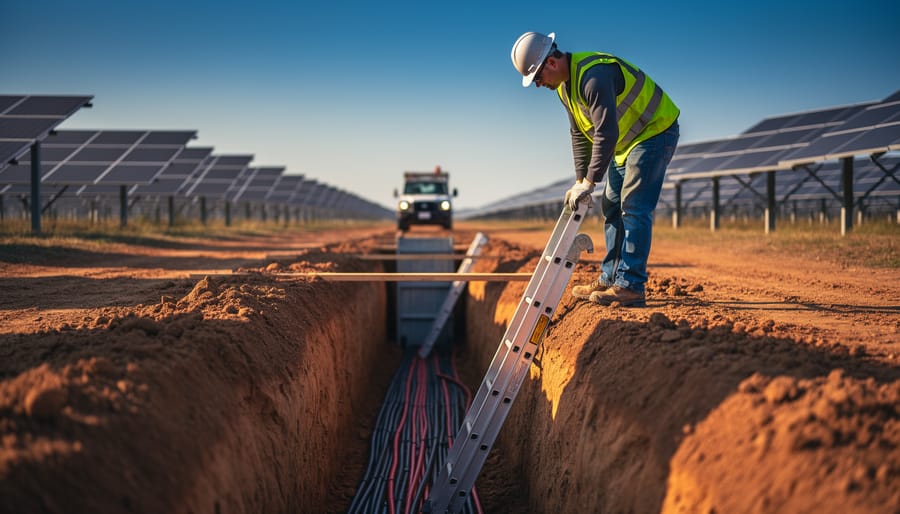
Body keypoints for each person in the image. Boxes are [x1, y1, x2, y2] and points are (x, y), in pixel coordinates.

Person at [510, 31, 680, 307]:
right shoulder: (565, 88)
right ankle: (610, 277)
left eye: (538, 78)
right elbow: (578, 133)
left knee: (634, 207)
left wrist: (591, 180)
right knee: (611, 206)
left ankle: (632, 285)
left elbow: (605, 131)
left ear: (551, 63)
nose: (539, 85)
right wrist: (580, 179)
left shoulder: (593, 76)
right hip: (627, 142)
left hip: (653, 131)